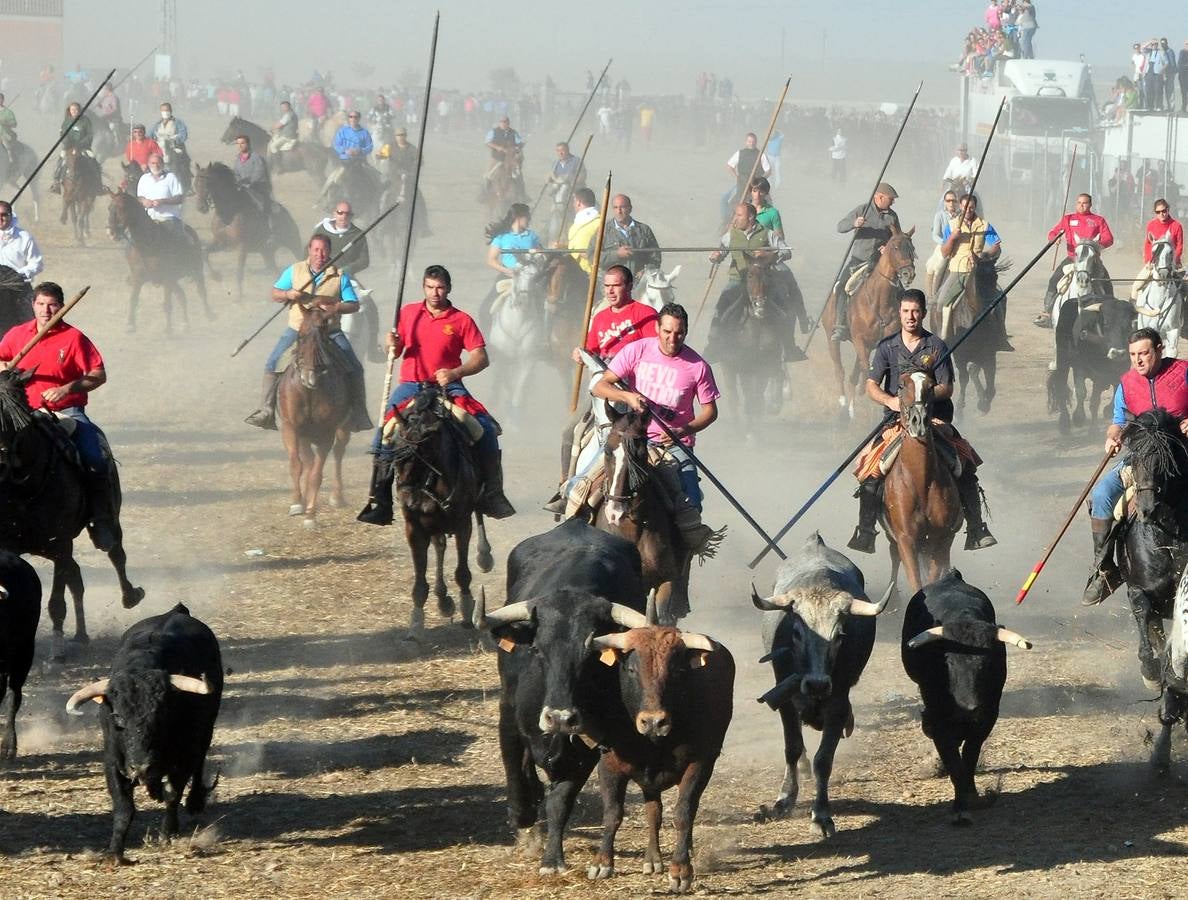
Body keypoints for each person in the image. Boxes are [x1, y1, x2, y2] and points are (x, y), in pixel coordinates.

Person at [356, 265, 516, 524]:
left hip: (447, 387)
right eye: (430, 287)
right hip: (411, 385)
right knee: (382, 434)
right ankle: (381, 500)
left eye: (440, 287)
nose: (435, 293)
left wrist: (456, 372)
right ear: (423, 287)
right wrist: (391, 343)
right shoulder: (408, 313)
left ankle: (493, 493)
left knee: (484, 429)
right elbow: (394, 351)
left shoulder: (461, 320)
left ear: (449, 288)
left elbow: (481, 357)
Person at [849, 289, 996, 554]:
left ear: (923, 314)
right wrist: (893, 401)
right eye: (905, 311)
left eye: (915, 311)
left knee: (965, 464)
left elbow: (947, 387)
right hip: (896, 423)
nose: (910, 317)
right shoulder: (887, 347)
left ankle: (976, 528)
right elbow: (871, 386)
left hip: (935, 421)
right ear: (899, 313)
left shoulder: (937, 346)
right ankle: (866, 531)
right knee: (870, 470)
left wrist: (921, 395)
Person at [589, 302, 718, 553]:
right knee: (587, 484)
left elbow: (710, 412)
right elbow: (599, 386)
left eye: (679, 333)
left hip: (673, 444)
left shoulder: (698, 366)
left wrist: (684, 430)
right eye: (667, 332)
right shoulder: (636, 350)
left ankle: (682, 559)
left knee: (691, 505)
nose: (672, 339)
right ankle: (574, 520)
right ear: (657, 328)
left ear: (686, 331)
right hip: (632, 439)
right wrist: (627, 398)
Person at [0, 282, 117, 551]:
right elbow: (0, 358)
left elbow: (98, 375)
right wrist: (4, 366)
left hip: (66, 412)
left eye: (52, 305)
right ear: (33, 305)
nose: (46, 310)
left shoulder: (74, 338)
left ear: (61, 306)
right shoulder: (17, 334)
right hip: (21, 412)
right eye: (40, 304)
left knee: (95, 457)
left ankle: (101, 521)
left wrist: (66, 388)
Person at [1083, 328, 1188, 606]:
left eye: (1144, 353)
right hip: (1141, 457)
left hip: (1184, 453)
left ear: (1159, 349)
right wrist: (1113, 435)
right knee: (1103, 494)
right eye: (1133, 355)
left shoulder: (1183, 372)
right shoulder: (1127, 383)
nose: (1138, 361)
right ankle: (1104, 568)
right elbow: (1118, 419)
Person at [545, 265, 660, 512]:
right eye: (607, 286)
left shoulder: (646, 314)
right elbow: (592, 349)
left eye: (616, 285)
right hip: (604, 388)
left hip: (633, 388)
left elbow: (655, 351)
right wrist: (581, 353)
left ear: (629, 286)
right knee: (570, 431)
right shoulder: (600, 317)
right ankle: (566, 486)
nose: (610, 290)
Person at [245, 234, 371, 432]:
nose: (320, 254)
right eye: (316, 250)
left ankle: (358, 413)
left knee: (355, 366)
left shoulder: (339, 276)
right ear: (309, 250)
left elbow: (353, 305)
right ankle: (267, 410)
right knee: (272, 362)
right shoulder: (294, 271)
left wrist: (335, 307)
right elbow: (274, 293)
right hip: (298, 329)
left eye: (324, 250)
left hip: (330, 332)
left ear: (330, 252)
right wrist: (288, 294)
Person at [706, 202, 798, 362]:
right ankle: (713, 346)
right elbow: (720, 253)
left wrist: (770, 252)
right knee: (720, 309)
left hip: (764, 280)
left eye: (739, 215)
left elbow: (786, 251)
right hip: (738, 279)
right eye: (735, 214)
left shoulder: (767, 234)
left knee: (785, 308)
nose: (735, 218)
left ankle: (789, 347)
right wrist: (715, 257)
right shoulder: (730, 236)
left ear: (750, 217)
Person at [937, 193, 1011, 349]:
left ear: (975, 207)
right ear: (960, 207)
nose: (968, 210)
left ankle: (1000, 337)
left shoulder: (984, 225)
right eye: (965, 207)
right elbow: (944, 252)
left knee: (1000, 299)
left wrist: (984, 255)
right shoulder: (951, 225)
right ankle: (943, 337)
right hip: (958, 270)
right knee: (942, 301)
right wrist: (952, 238)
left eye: (971, 207)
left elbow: (996, 247)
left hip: (979, 271)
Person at [833, 183, 902, 341]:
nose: (893, 202)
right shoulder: (861, 210)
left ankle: (902, 326)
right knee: (842, 287)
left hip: (881, 264)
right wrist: (854, 224)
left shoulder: (892, 217)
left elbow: (897, 238)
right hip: (859, 261)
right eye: (891, 199)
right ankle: (840, 324)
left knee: (901, 292)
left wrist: (889, 247)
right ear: (879, 197)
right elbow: (840, 226)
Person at [1037, 193, 1115, 327]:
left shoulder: (1098, 220)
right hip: (1072, 258)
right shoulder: (1068, 219)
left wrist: (1096, 245)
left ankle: (1111, 313)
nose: (1081, 205)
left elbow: (1109, 239)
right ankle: (1047, 313)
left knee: (1106, 282)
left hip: (1092, 261)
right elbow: (1053, 233)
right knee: (1054, 280)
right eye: (1079, 203)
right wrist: (1054, 239)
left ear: (1090, 204)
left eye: (1084, 203)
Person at [478, 202, 541, 330]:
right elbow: (491, 259)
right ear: (519, 217)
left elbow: (539, 255)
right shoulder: (502, 237)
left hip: (529, 278)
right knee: (485, 307)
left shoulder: (532, 236)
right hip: (507, 276)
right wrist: (507, 271)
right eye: (527, 217)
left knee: (544, 305)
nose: (529, 220)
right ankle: (486, 338)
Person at [597, 193, 660, 282]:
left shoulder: (644, 230)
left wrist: (647, 271)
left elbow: (655, 257)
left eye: (622, 207)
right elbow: (592, 256)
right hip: (612, 285)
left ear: (630, 208)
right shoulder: (603, 231)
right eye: (615, 207)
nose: (619, 211)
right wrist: (616, 254)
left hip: (638, 284)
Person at [322, 110, 373, 201]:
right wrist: (346, 151)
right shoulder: (342, 131)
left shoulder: (364, 132)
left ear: (359, 119)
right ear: (348, 119)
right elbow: (336, 145)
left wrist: (360, 150)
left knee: (373, 180)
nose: (353, 119)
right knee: (332, 180)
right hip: (345, 162)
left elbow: (370, 147)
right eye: (351, 117)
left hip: (360, 162)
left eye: (355, 117)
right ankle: (327, 201)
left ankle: (375, 201)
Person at [545, 141, 586, 240]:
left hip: (574, 192)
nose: (561, 153)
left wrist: (570, 179)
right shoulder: (555, 164)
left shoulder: (576, 161)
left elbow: (582, 176)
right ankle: (550, 233)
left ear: (568, 150)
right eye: (558, 151)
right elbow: (551, 177)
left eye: (563, 150)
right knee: (553, 212)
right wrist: (549, 179)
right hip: (559, 194)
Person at [51, 101, 94, 193]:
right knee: (61, 160)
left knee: (92, 159)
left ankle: (96, 183)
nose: (74, 111)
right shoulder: (66, 121)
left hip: (83, 147)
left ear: (79, 110)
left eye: (76, 110)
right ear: (69, 111)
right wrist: (67, 143)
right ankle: (56, 183)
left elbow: (90, 135)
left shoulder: (86, 120)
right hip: (68, 147)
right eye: (72, 110)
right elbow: (62, 134)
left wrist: (79, 145)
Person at [135, 153, 184, 232]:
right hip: (149, 219)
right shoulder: (144, 179)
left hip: (169, 218)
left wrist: (162, 201)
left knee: (176, 242)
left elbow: (179, 198)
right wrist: (144, 201)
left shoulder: (171, 177)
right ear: (148, 164)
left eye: (158, 163)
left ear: (163, 164)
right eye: (153, 163)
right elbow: (139, 197)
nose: (156, 166)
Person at [0, 201, 43, 285]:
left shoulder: (25, 237)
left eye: (4, 215)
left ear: (11, 216)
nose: (0, 218)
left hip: (18, 288)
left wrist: (16, 276)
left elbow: (37, 264)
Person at [926, 191, 959, 299]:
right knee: (932, 265)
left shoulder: (961, 215)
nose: (951, 203)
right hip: (943, 245)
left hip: (959, 246)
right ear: (944, 202)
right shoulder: (940, 215)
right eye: (948, 201)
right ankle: (931, 294)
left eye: (953, 201)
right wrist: (945, 243)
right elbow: (935, 235)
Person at [232, 134, 272, 220]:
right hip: (244, 187)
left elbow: (259, 172)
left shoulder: (256, 157)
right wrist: (239, 182)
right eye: (237, 143)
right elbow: (236, 173)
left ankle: (265, 222)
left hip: (257, 187)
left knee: (261, 207)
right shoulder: (237, 159)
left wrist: (249, 182)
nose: (239, 146)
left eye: (242, 143)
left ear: (248, 144)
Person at [564, 187, 602, 275]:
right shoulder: (576, 223)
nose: (573, 205)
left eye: (574, 202)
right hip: (573, 268)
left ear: (578, 203)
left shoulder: (600, 222)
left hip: (589, 271)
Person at [725, 132, 771, 205]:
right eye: (749, 142)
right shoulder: (740, 153)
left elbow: (768, 171)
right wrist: (737, 177)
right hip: (742, 186)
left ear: (756, 142)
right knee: (729, 202)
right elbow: (729, 165)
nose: (751, 143)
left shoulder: (761, 155)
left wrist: (760, 180)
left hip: (756, 187)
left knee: (767, 203)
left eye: (753, 142)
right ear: (745, 142)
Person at [484, 115, 523, 186]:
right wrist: (498, 147)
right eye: (501, 122)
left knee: (518, 175)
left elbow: (519, 142)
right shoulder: (493, 131)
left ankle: (520, 191)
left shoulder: (513, 132)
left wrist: (517, 147)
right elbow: (487, 142)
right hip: (497, 157)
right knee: (489, 175)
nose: (503, 124)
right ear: (499, 123)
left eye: (505, 122)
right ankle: (487, 189)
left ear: (508, 123)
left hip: (510, 158)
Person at [1143, 198, 1183, 265]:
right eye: (1158, 212)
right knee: (1142, 276)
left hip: (1172, 262)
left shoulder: (1177, 226)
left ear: (1168, 210)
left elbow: (1179, 246)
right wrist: (1148, 261)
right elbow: (1148, 245)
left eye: (1163, 211)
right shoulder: (1151, 225)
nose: (1161, 214)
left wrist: (1174, 260)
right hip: (1154, 262)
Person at [147, 102, 188, 168]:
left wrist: (173, 140)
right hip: (160, 152)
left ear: (171, 111)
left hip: (175, 152)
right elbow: (149, 136)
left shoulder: (178, 122)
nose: (165, 112)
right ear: (160, 111)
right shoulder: (157, 124)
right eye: (163, 110)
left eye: (167, 110)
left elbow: (184, 135)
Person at [0, 92, 18, 165]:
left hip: (5, 133)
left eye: (0, 99)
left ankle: (11, 160)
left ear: (3, 100)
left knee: (5, 141)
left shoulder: (8, 112)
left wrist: (4, 122)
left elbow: (14, 124)